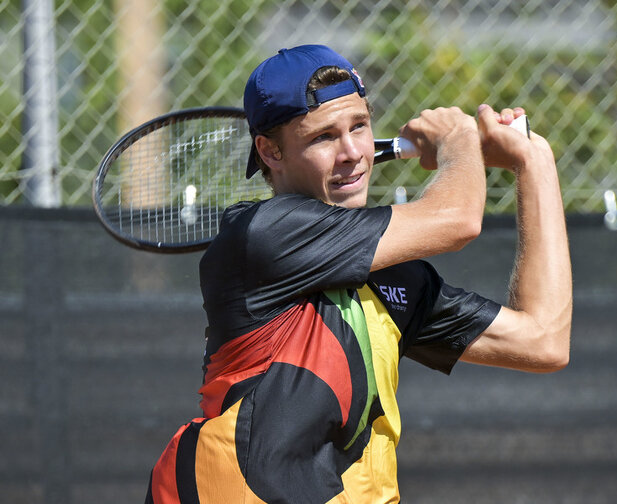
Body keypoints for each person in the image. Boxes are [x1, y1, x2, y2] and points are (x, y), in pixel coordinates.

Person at [145, 44, 572, 504]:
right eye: (324, 137)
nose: (352, 152)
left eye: (359, 126)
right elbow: (459, 219)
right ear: (269, 152)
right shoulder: (263, 235)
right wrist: (459, 140)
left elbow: (542, 340)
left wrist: (534, 163)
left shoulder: (395, 280)